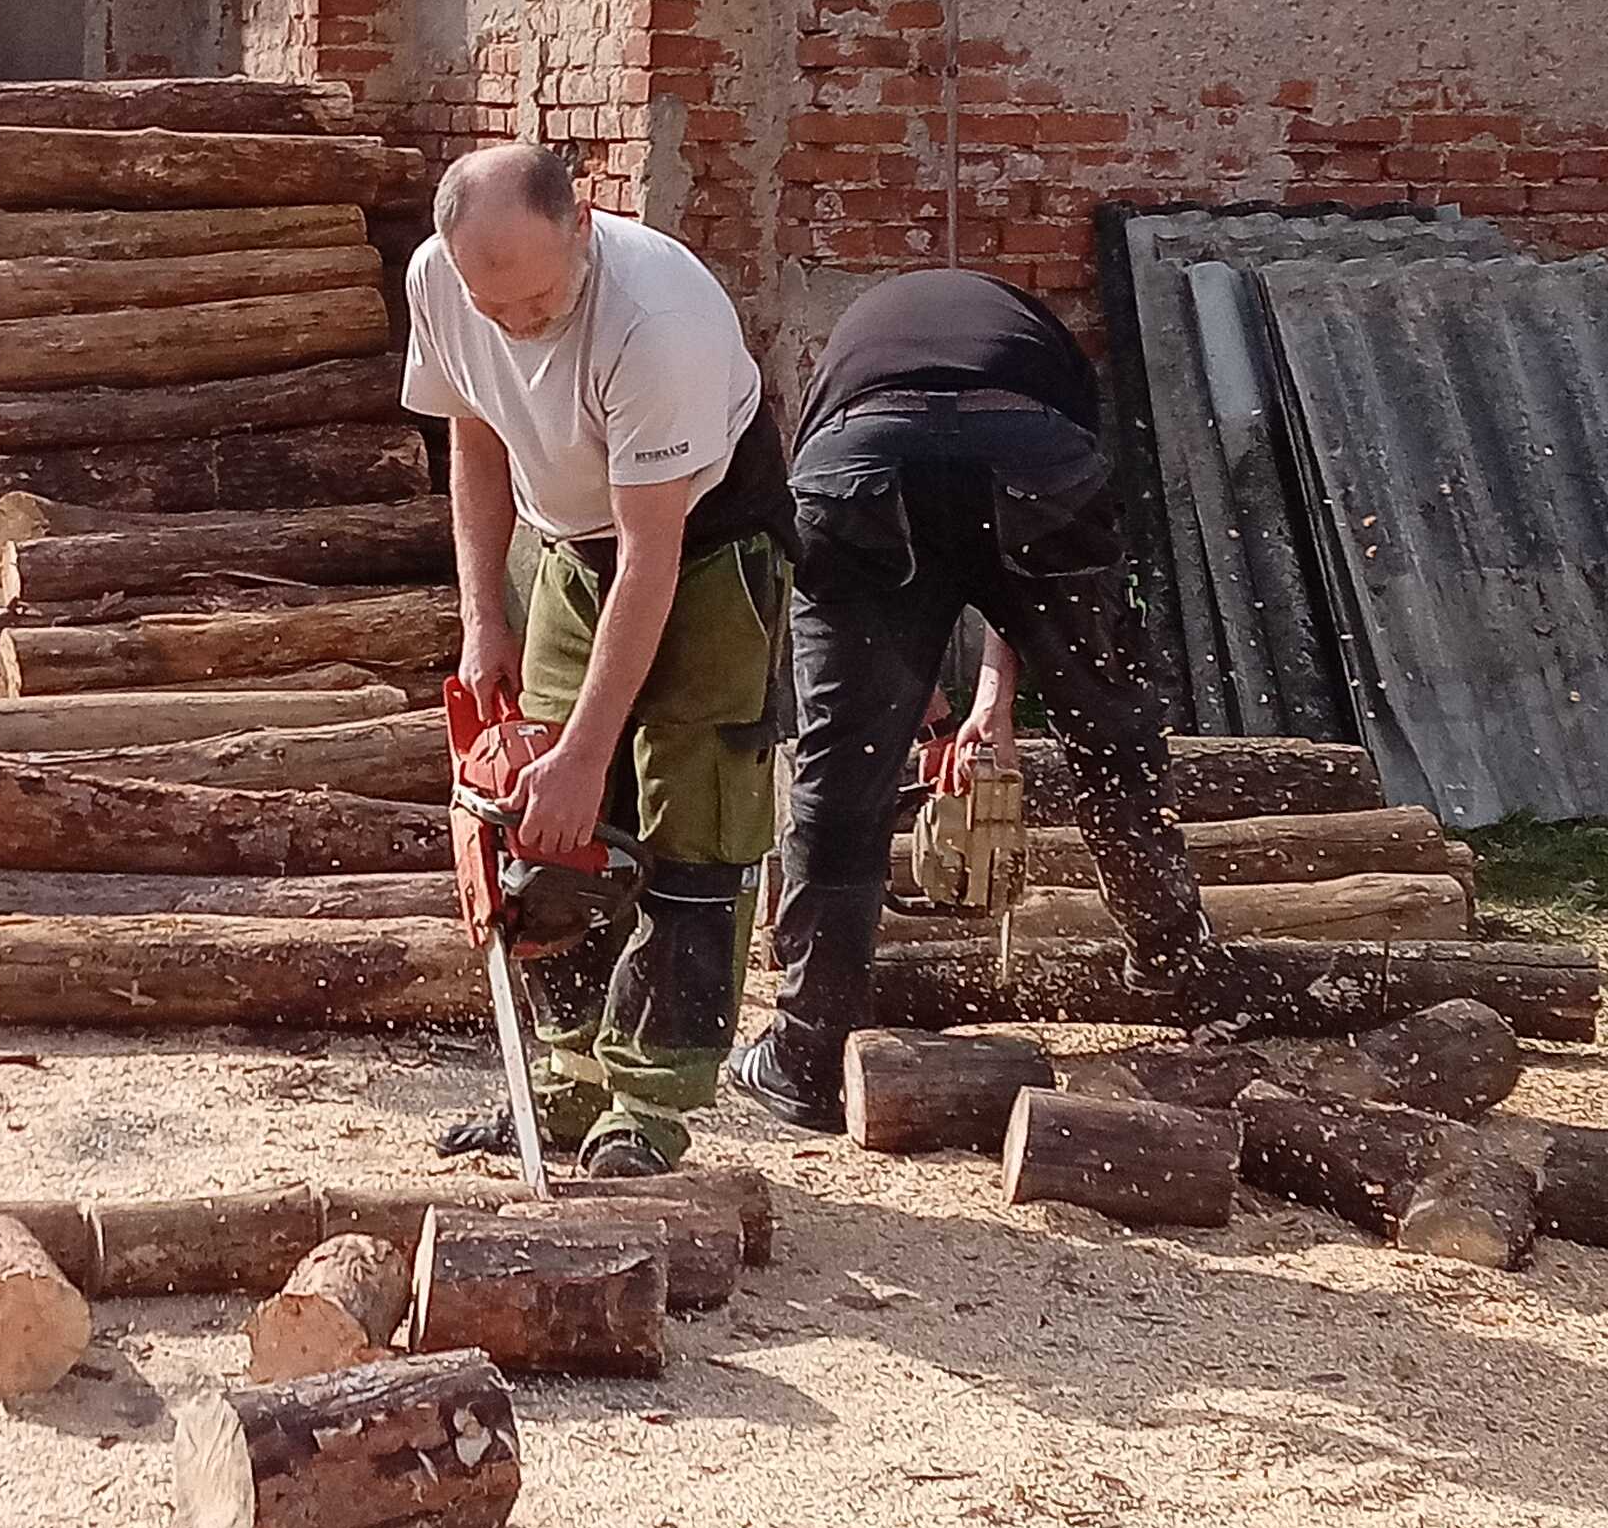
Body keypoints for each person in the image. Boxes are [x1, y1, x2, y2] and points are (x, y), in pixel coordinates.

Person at [722, 267, 1210, 1131]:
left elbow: (883, 619)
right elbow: (1023, 577)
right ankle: (1172, 964)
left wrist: (973, 706)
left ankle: (806, 1054)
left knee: (843, 769)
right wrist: (984, 701)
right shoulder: (1045, 358)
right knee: (1110, 734)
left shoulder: (851, 356)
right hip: (1033, 458)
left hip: (860, 464)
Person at [403, 143, 789, 1176]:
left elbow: (651, 554)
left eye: (536, 300)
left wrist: (588, 752)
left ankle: (651, 1104)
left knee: (691, 822)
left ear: (583, 224)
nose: (516, 323)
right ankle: (570, 1077)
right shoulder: (441, 279)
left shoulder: (654, 320)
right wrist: (483, 617)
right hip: (567, 545)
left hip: (705, 548)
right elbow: (475, 435)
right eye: (492, 306)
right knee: (545, 824)